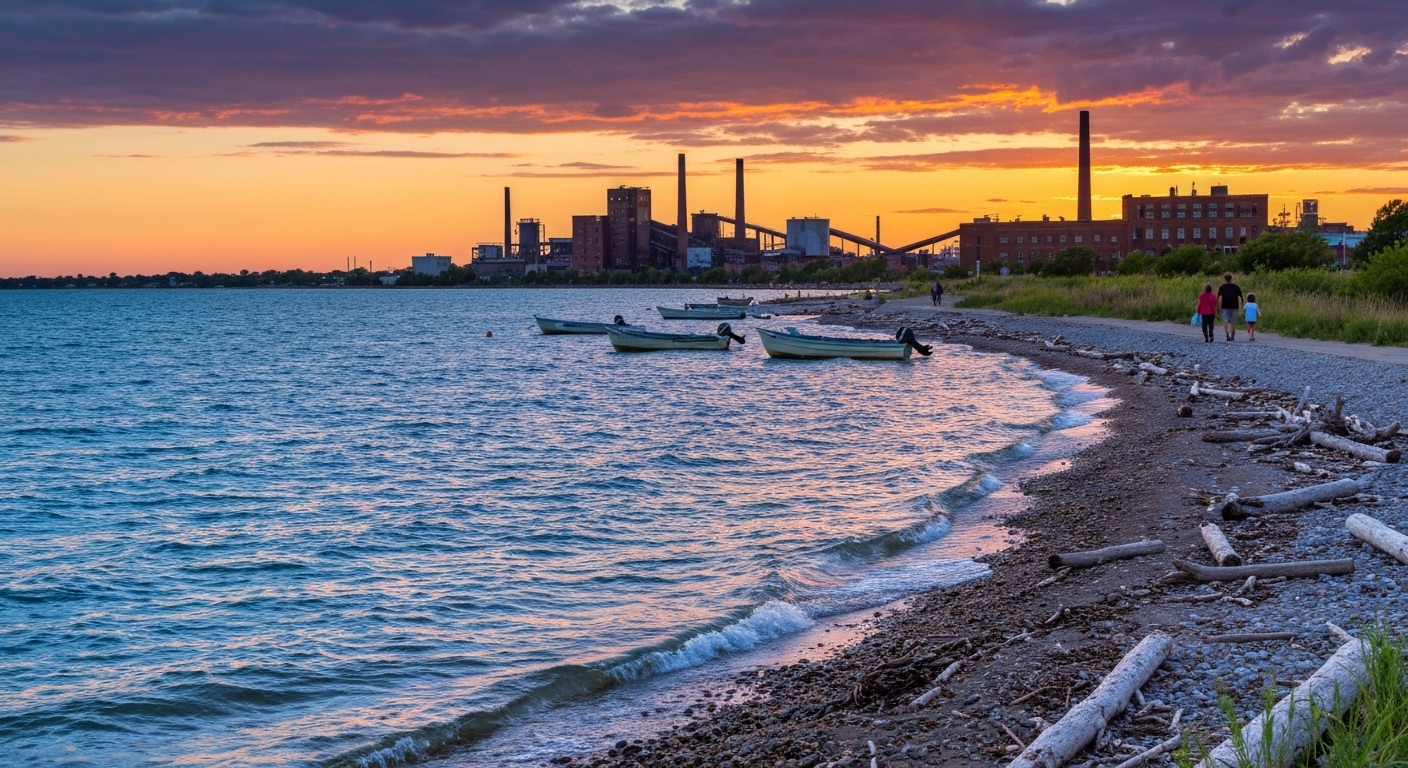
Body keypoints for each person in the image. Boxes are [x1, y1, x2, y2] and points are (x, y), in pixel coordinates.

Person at [1217, 273, 1243, 341]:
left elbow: (1219, 298)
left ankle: (1227, 335)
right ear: (1231, 279)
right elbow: (1240, 297)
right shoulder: (1236, 287)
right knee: (1233, 322)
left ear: (1225, 279)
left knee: (1226, 321)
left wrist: (1218, 308)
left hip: (1225, 306)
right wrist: (1240, 306)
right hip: (1234, 306)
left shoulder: (1222, 287)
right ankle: (1233, 335)